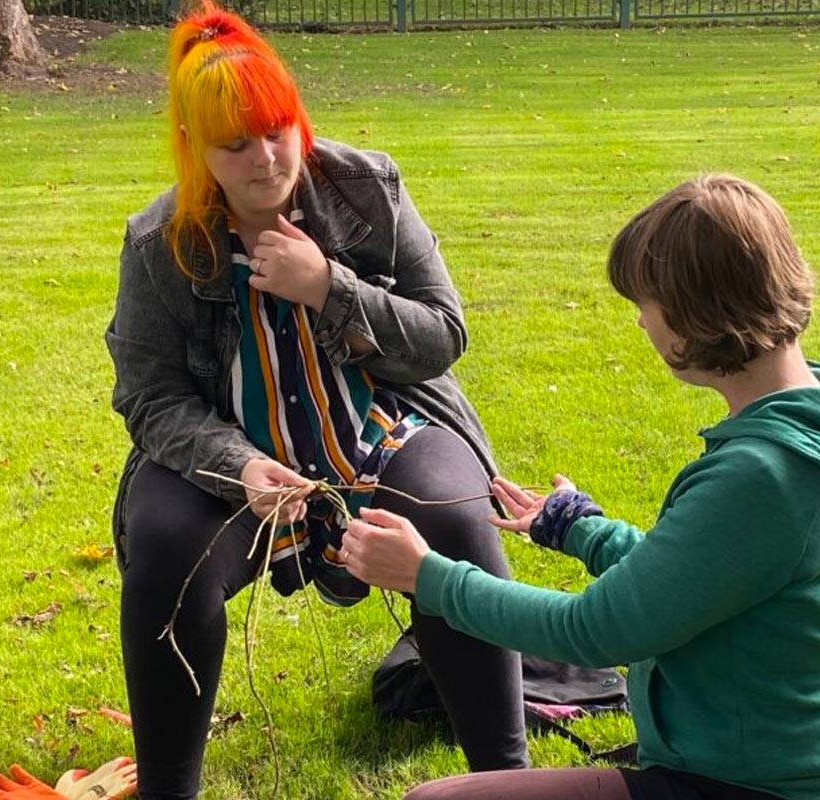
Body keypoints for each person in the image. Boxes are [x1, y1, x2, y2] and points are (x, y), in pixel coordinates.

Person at [341, 174, 820, 800]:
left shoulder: (767, 474)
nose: (642, 322)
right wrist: (579, 528)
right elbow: (696, 575)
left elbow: (595, 631)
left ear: (697, 315)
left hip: (753, 787)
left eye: (647, 303)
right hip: (767, 767)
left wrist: (428, 575)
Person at [104, 3, 528, 796]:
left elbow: (442, 336)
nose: (268, 159)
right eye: (237, 145)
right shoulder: (158, 243)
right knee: (166, 549)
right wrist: (238, 466)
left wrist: (330, 287)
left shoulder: (367, 189)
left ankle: (505, 780)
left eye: (279, 130)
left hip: (381, 425)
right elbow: (149, 395)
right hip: (230, 451)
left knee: (454, 520)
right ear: (197, 150)